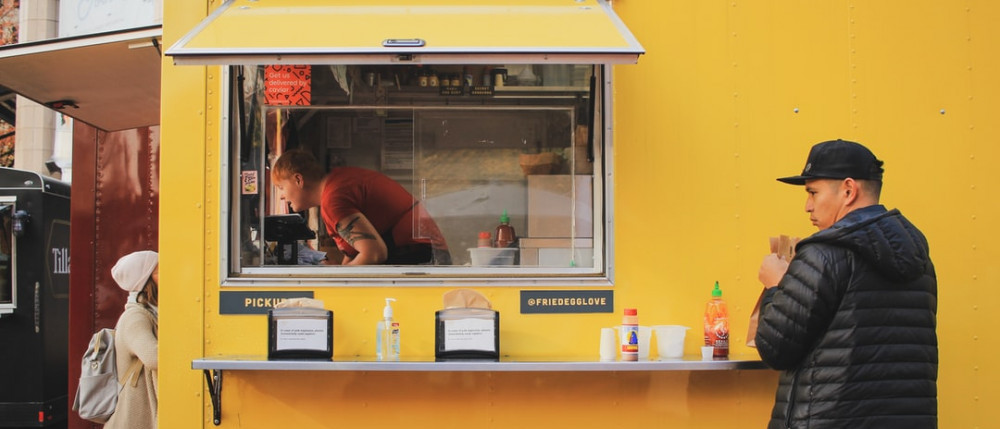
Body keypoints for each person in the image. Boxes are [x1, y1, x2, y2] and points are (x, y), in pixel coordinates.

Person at [754, 139, 937, 428]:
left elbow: (775, 349)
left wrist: (778, 285)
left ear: (849, 190)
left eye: (813, 192)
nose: (807, 206)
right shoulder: (918, 258)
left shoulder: (823, 254)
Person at [271, 149, 451, 265]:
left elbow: (373, 254)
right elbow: (355, 253)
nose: (281, 195)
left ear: (298, 180)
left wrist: (340, 283)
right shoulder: (338, 181)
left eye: (281, 188)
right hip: (429, 254)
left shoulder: (334, 200)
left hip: (423, 258)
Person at [104, 250, 159, 429]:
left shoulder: (152, 314)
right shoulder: (135, 317)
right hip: (134, 421)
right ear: (146, 282)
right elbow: (154, 356)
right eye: (159, 272)